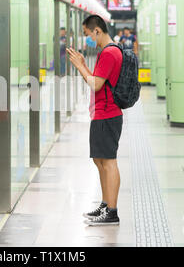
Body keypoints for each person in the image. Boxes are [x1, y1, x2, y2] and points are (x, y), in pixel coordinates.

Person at [67, 15, 123, 226]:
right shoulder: (108, 51)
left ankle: (112, 211)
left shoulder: (109, 53)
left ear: (97, 31)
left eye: (87, 34)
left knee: (108, 162)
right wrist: (83, 65)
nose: (87, 38)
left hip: (108, 113)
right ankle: (106, 204)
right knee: (100, 160)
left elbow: (96, 85)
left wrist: (79, 65)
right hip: (102, 113)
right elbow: (97, 80)